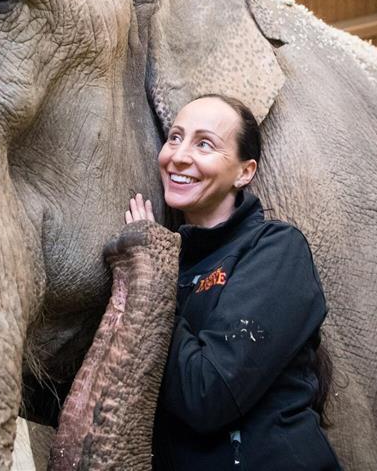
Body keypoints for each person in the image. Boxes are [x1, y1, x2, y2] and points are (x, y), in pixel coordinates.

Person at [125, 94, 340, 470]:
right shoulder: (173, 264)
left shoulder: (276, 250)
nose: (178, 155)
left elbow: (208, 393)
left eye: (204, 144)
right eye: (175, 137)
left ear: (244, 172)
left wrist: (150, 274)